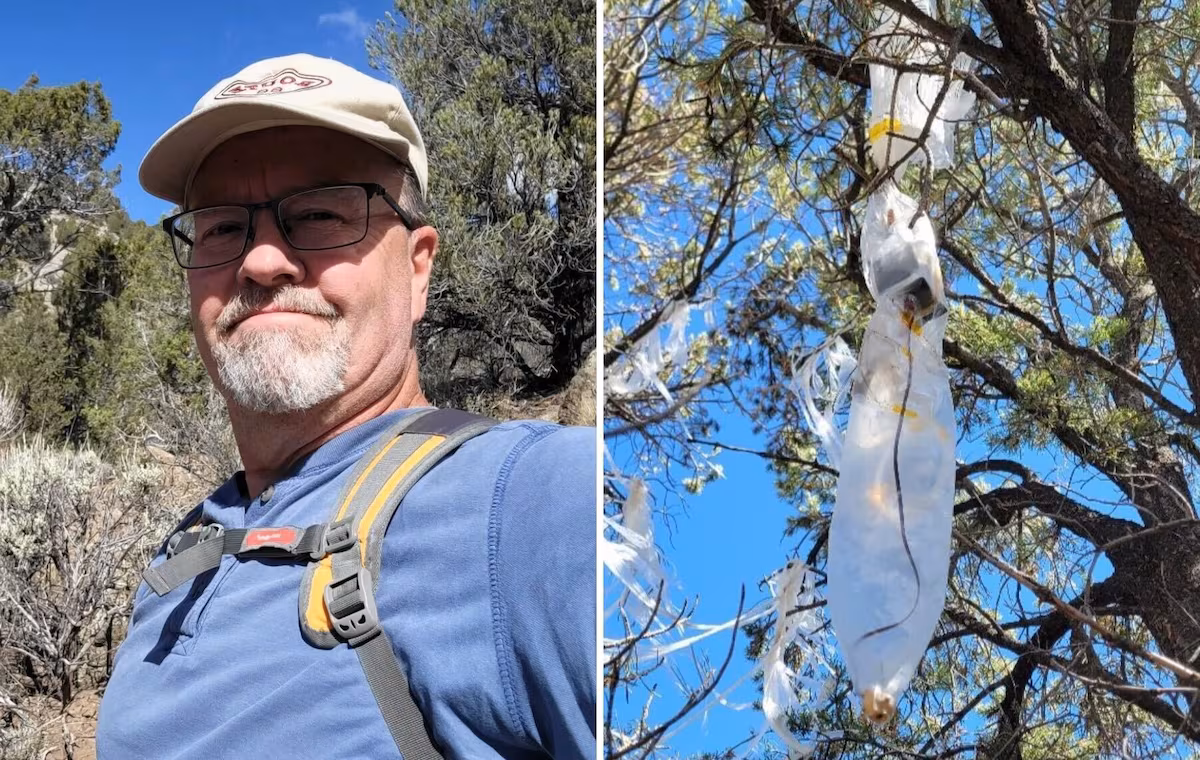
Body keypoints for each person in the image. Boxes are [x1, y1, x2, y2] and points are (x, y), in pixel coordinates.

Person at [95, 53, 596, 760]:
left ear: (418, 267)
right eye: (222, 227)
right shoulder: (188, 546)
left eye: (320, 213)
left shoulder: (530, 503)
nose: (261, 261)